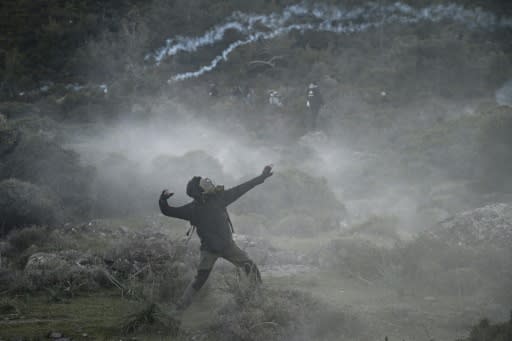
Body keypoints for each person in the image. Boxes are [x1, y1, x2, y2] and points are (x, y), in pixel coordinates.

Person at [159, 165, 274, 313]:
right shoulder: (205, 204)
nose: (209, 183)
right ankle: (179, 309)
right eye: (204, 183)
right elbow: (168, 211)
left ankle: (258, 296)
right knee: (202, 279)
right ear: (200, 190)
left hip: (224, 246)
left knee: (249, 267)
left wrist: (262, 177)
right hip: (212, 249)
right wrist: (163, 200)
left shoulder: (208, 202)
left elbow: (244, 187)